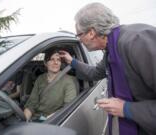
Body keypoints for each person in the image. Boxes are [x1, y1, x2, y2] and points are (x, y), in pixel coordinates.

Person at [59, 2, 156, 135]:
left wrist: (126, 109)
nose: (79, 40)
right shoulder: (110, 50)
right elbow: (95, 73)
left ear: (91, 33)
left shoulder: (138, 41)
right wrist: (72, 61)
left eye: (79, 35)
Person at [24, 49, 77, 121]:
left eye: (58, 60)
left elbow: (67, 108)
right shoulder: (40, 78)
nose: (56, 62)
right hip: (35, 118)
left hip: (54, 120)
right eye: (52, 59)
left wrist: (47, 121)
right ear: (45, 63)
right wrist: (25, 120)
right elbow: (32, 103)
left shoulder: (69, 80)